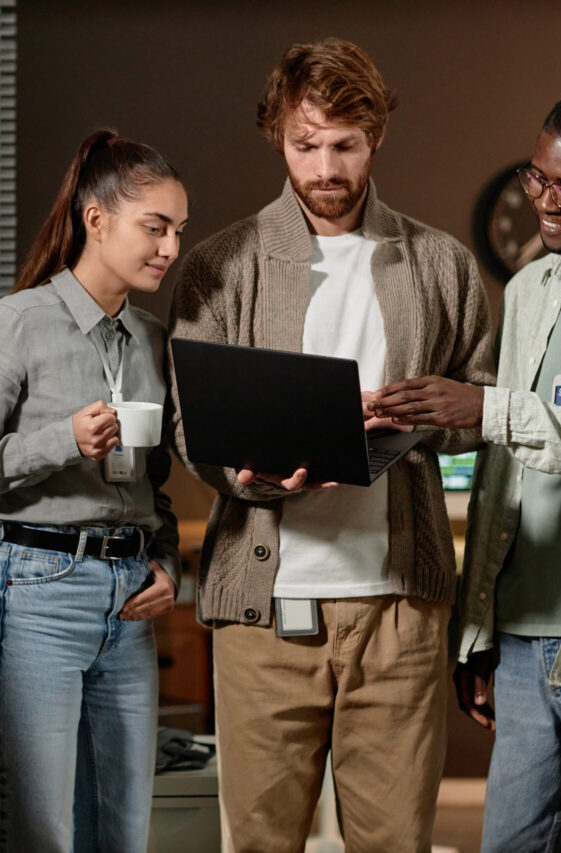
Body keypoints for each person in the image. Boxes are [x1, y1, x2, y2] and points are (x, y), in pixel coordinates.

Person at [168, 37, 493, 853]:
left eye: (344, 144)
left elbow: (484, 408)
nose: (324, 167)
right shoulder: (221, 265)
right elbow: (188, 423)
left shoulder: (441, 264)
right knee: (260, 842)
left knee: (394, 842)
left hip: (398, 608)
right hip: (264, 611)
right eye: (304, 144)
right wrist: (241, 471)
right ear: (277, 137)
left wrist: (426, 415)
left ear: (376, 135)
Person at [371, 87, 561, 852]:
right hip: (521, 640)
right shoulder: (528, 289)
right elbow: (502, 472)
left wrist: (485, 409)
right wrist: (476, 630)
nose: (546, 204)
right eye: (537, 179)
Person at [0, 129, 188, 852]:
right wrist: (60, 442)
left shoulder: (151, 338)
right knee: (47, 830)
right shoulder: (19, 324)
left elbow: (156, 486)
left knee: (124, 830)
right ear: (97, 220)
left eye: (177, 230)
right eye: (155, 227)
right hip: (37, 590)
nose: (169, 248)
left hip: (131, 596)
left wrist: (167, 560)